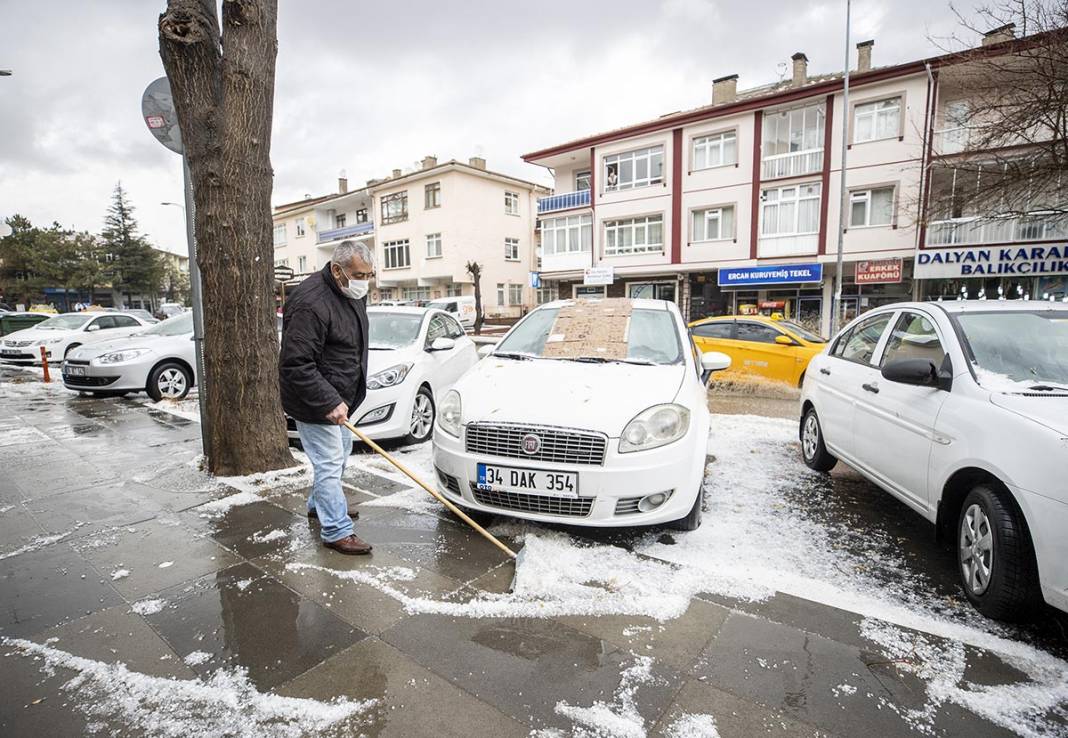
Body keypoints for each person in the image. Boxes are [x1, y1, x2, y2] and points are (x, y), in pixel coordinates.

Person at [279, 241, 375, 555]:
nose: (365, 282)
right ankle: (335, 529)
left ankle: (318, 505)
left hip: (339, 395)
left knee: (341, 453)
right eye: (359, 274)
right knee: (330, 463)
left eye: (369, 275)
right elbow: (296, 363)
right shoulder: (310, 302)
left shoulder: (348, 291)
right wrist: (328, 401)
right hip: (313, 399)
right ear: (337, 270)